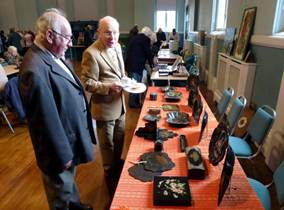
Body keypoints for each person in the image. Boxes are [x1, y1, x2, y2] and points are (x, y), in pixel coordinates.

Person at [18, 8, 96, 210]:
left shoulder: (51, 54)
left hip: (68, 139)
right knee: (60, 194)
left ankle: (75, 205)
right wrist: (62, 155)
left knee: (69, 185)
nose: (70, 43)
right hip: (58, 151)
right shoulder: (33, 69)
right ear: (49, 35)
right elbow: (44, 122)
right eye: (67, 38)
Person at [81, 16, 126, 194]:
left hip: (120, 105)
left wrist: (126, 80)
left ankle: (116, 171)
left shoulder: (118, 47)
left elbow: (120, 73)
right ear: (98, 32)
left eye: (115, 32)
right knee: (108, 149)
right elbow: (87, 82)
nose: (112, 36)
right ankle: (111, 189)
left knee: (120, 141)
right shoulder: (91, 53)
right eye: (107, 32)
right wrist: (108, 87)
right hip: (104, 109)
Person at [126, 26, 154, 108]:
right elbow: (148, 53)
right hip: (137, 65)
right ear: (148, 35)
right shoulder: (146, 39)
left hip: (129, 64)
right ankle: (133, 104)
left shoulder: (134, 38)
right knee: (136, 84)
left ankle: (134, 102)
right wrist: (152, 65)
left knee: (133, 83)